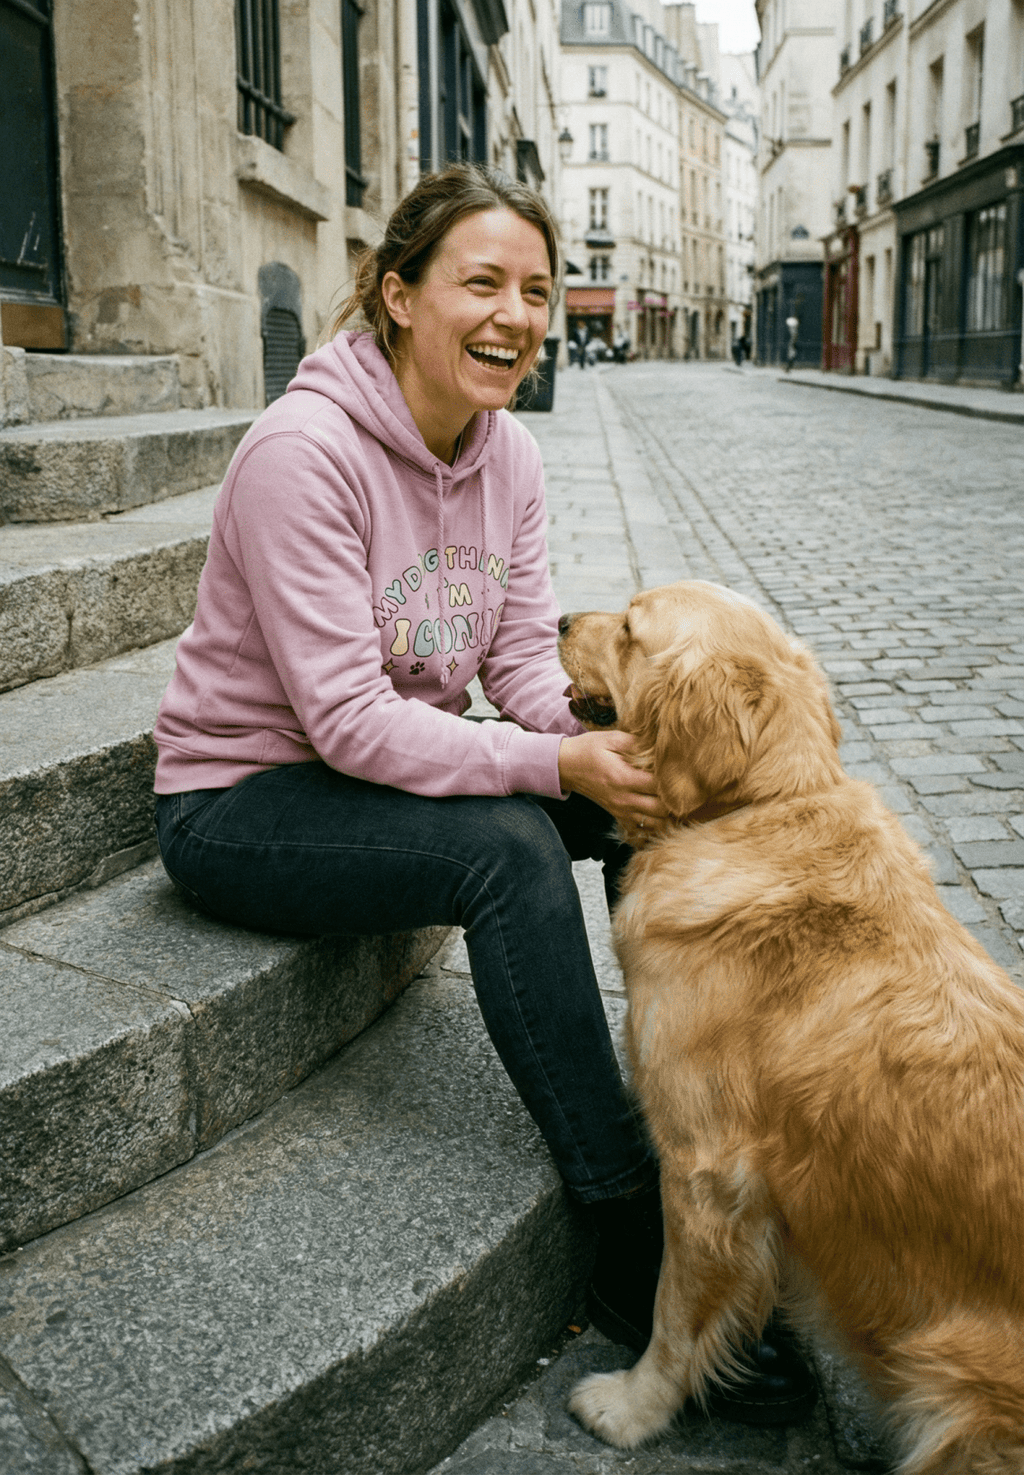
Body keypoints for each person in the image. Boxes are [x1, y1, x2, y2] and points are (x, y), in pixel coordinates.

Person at [152, 164, 813, 1421]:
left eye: (537, 289)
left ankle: (703, 1112)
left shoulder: (506, 450)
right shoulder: (302, 454)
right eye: (483, 283)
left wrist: (605, 747)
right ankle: (628, 1228)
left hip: (380, 767)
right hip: (242, 800)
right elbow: (348, 722)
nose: (516, 314)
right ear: (399, 294)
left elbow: (516, 664)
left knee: (631, 792)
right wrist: (548, 763)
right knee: (509, 845)